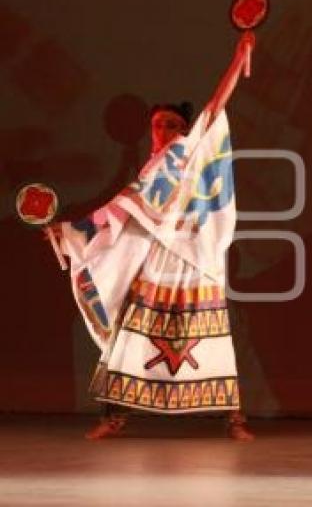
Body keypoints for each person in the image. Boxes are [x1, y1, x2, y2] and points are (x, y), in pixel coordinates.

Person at [49, 31, 256, 441]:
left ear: (185, 129)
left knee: (211, 342)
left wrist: (238, 59)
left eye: (172, 124)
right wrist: (69, 231)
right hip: (157, 261)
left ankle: (234, 419)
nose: (162, 130)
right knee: (130, 339)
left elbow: (216, 107)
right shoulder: (149, 171)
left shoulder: (187, 155)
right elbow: (121, 211)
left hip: (194, 258)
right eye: (157, 124)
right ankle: (115, 417)